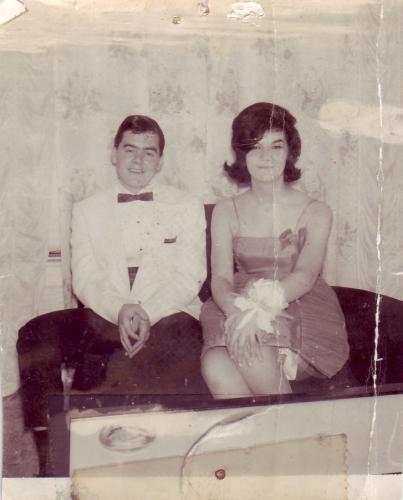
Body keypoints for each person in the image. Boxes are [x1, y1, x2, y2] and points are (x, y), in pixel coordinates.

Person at [17, 115, 207, 475]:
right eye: (129, 150)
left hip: (169, 311)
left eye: (149, 152)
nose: (138, 161)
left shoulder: (186, 205)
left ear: (160, 161)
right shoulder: (86, 209)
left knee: (151, 360)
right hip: (106, 309)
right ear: (114, 154)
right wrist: (120, 309)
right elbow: (84, 277)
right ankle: (55, 457)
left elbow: (190, 275)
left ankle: (153, 461)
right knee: (39, 335)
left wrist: (146, 310)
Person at [200, 102, 349, 399]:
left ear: (290, 151)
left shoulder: (317, 211)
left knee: (253, 355)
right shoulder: (225, 210)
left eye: (276, 146)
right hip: (236, 302)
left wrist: (259, 314)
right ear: (242, 154)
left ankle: (288, 427)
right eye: (256, 147)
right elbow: (221, 278)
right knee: (215, 365)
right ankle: (267, 430)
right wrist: (239, 312)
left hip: (294, 300)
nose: (266, 157)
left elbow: (305, 275)